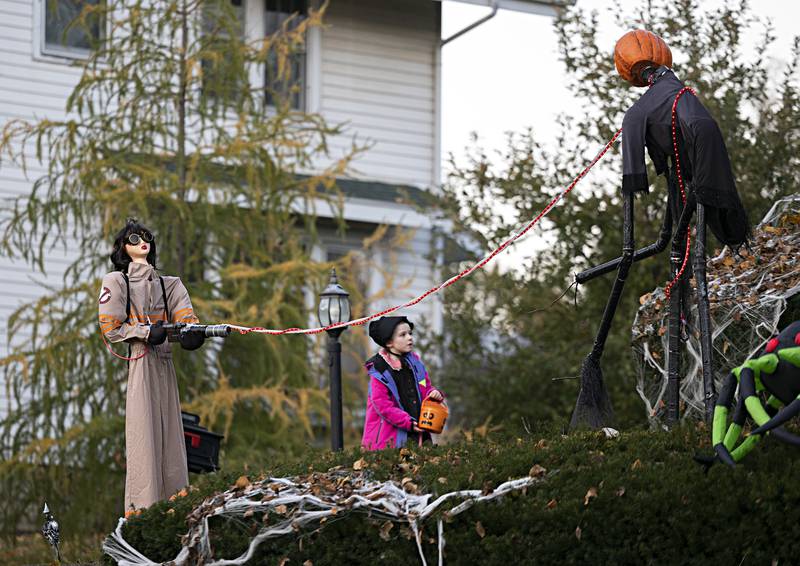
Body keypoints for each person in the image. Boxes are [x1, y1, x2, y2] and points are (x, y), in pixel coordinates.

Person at [98, 219, 205, 516]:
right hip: (142, 361)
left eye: (146, 237)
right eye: (135, 237)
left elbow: (186, 318)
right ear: (123, 247)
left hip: (165, 362)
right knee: (144, 441)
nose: (142, 241)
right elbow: (110, 326)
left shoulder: (169, 284)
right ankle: (143, 516)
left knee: (172, 443)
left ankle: (176, 512)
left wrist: (192, 334)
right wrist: (144, 333)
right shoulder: (116, 281)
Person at [361, 316, 444, 451]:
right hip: (388, 440)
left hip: (419, 433)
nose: (409, 337)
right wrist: (408, 422)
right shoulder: (379, 371)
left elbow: (425, 387)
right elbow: (383, 406)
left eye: (410, 333)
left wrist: (433, 393)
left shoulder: (415, 364)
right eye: (403, 335)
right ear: (389, 342)